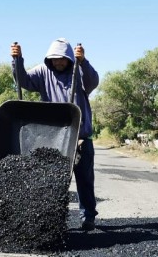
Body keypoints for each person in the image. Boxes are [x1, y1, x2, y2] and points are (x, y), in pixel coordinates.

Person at [11, 38, 100, 231]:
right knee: (53, 180)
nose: (58, 63)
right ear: (48, 59)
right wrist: (17, 60)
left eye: (61, 59)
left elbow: (93, 82)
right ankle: (51, 219)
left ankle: (88, 217)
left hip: (81, 135)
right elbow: (23, 80)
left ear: (68, 58)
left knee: (85, 179)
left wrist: (83, 61)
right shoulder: (43, 72)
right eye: (54, 59)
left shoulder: (79, 70)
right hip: (54, 136)